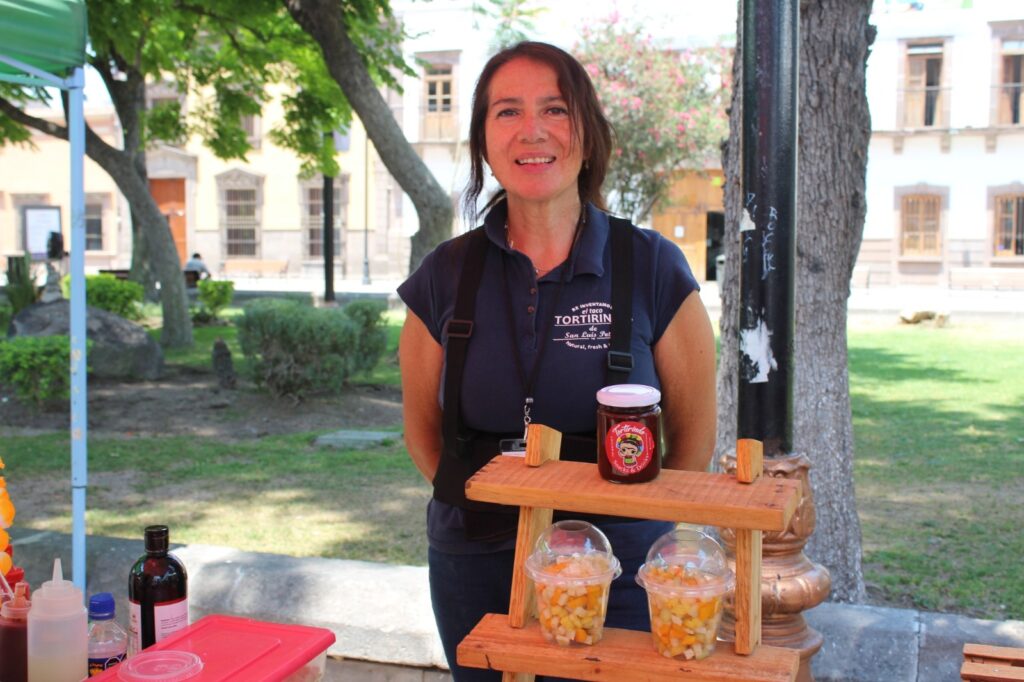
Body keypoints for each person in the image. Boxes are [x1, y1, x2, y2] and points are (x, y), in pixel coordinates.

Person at [398, 41, 716, 681]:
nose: (532, 131)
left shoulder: (652, 266)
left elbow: (693, 440)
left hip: (620, 566)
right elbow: (422, 432)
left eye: (555, 109)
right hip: (474, 560)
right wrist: (485, 506)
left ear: (588, 134)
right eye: (507, 112)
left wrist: (628, 532)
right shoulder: (445, 274)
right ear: (484, 142)